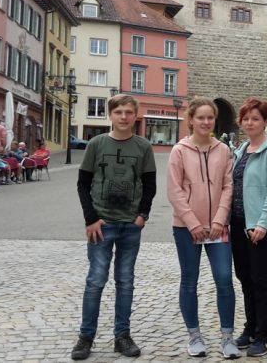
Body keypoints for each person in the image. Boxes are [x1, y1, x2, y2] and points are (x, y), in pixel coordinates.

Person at [71, 95, 157, 360]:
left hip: (130, 224)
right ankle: (86, 337)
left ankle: (122, 336)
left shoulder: (143, 146)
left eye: (129, 112)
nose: (123, 116)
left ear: (135, 115)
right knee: (95, 281)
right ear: (111, 114)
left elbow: (150, 185)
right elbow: (83, 183)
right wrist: (90, 218)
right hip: (102, 223)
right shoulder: (96, 144)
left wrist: (142, 215)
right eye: (119, 112)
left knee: (126, 282)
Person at [167, 97, 239, 359]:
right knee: (189, 281)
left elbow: (227, 187)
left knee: (223, 279)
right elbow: (174, 191)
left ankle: (227, 337)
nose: (206, 122)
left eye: (210, 118)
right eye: (201, 118)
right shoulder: (179, 150)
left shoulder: (223, 150)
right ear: (191, 120)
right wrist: (193, 223)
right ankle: (195, 336)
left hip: (218, 228)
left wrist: (219, 221)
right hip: (186, 228)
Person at [230, 97, 267, 357]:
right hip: (239, 223)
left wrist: (263, 223)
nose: (250, 122)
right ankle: (251, 327)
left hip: (264, 226)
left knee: (263, 280)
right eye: (246, 118)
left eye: (255, 118)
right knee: (245, 278)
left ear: (265, 122)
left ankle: (266, 334)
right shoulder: (241, 150)